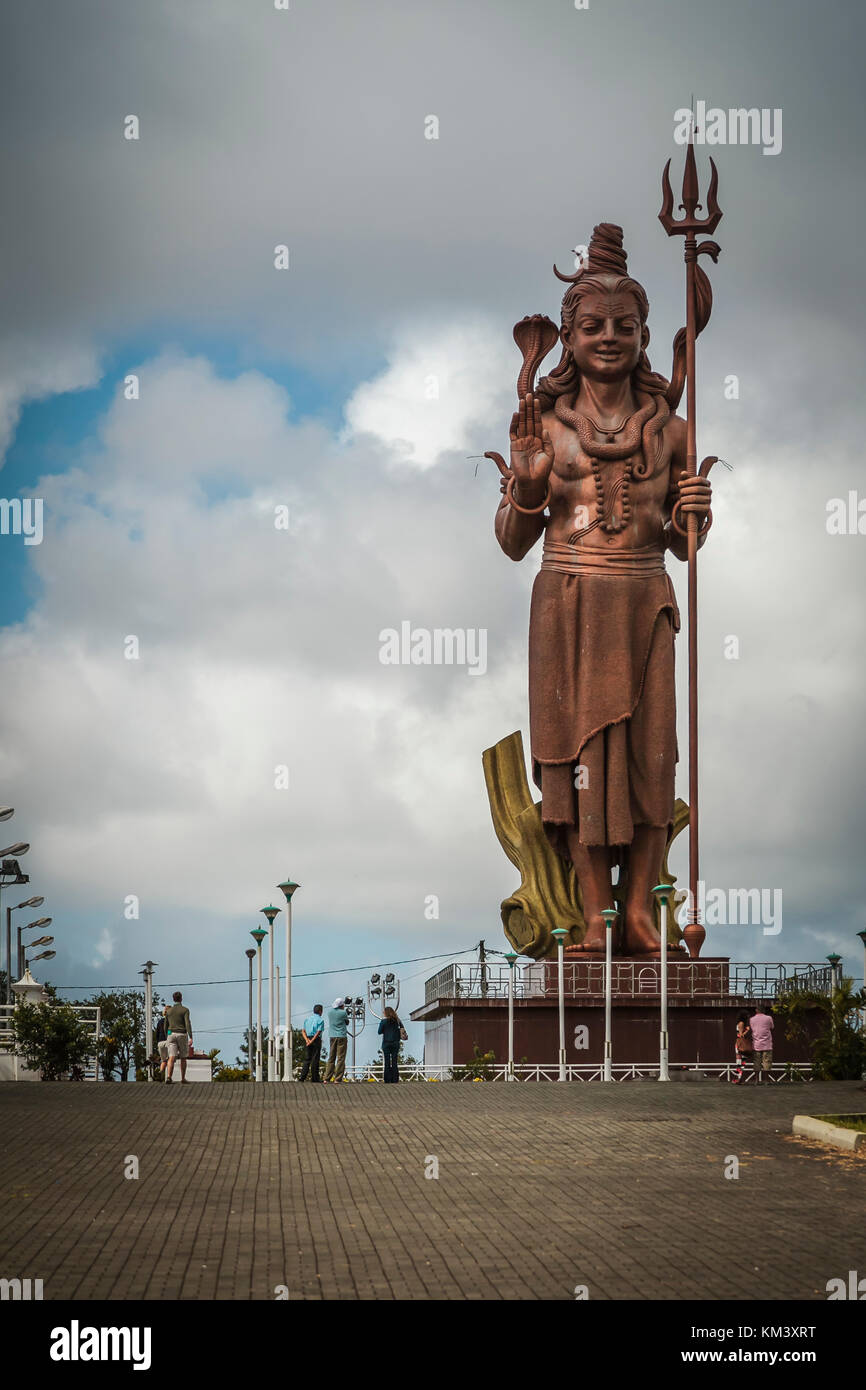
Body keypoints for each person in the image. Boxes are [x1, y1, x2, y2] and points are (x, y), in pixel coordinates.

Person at [494, 223, 713, 955]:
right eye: (592, 325)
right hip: (569, 603)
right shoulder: (545, 425)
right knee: (578, 767)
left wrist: (695, 519)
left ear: (647, 334)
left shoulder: (673, 430)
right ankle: (597, 913)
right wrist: (525, 487)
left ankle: (645, 908)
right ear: (568, 335)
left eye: (625, 324)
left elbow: (684, 549)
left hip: (643, 598)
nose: (609, 337)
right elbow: (511, 542)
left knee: (653, 760)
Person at [163, 991, 193, 1084]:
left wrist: (167, 1034)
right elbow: (187, 1023)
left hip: (171, 1034)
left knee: (171, 1057)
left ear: (173, 999)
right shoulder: (185, 1010)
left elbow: (165, 1025)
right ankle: (183, 1078)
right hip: (182, 1034)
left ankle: (168, 1077)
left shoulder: (169, 1011)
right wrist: (191, 1036)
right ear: (181, 998)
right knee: (183, 1057)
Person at [323, 997, 349, 1083]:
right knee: (340, 1058)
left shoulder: (330, 1012)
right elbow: (347, 1022)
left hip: (332, 1036)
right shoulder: (343, 1012)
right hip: (341, 1036)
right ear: (342, 1005)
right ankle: (337, 1079)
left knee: (331, 1057)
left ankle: (327, 1078)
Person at [378, 1006, 406, 1084]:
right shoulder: (397, 1021)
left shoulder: (383, 1021)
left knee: (387, 1061)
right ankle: (395, 1079)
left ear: (386, 1013)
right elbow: (402, 1029)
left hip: (386, 1043)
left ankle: (387, 1079)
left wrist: (385, 1029)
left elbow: (379, 1031)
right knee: (394, 1061)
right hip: (395, 1043)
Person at [749, 1002, 774, 1083]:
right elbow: (772, 1027)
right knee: (767, 1063)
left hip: (756, 1044)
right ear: (764, 1010)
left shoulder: (751, 1019)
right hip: (767, 1044)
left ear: (756, 1010)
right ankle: (766, 1080)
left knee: (757, 1063)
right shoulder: (769, 1018)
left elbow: (752, 1029)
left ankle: (756, 1080)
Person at [299, 1004, 324, 1083]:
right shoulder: (320, 1020)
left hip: (308, 1039)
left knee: (307, 1059)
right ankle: (315, 1078)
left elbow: (303, 1030)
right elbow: (318, 1032)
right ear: (320, 1011)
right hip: (315, 1039)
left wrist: (307, 1040)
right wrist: (312, 1040)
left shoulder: (307, 1019)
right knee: (315, 1059)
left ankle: (302, 1077)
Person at [731, 1012, 752, 1084]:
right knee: (740, 1063)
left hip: (739, 1044)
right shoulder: (741, 1023)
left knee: (741, 1063)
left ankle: (739, 1078)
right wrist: (748, 1030)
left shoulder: (740, 1023)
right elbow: (741, 1035)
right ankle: (739, 1079)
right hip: (741, 1045)